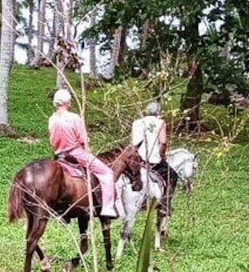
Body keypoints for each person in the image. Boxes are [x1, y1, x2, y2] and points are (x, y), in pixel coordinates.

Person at [48, 88, 117, 217]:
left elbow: (52, 140)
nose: (70, 103)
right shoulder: (74, 117)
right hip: (76, 153)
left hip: (59, 155)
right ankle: (107, 207)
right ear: (67, 102)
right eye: (70, 101)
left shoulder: (52, 119)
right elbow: (82, 139)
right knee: (107, 173)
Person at [131, 102, 175, 191]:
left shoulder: (136, 122)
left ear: (146, 111)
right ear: (158, 112)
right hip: (152, 159)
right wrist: (162, 155)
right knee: (172, 175)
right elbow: (163, 142)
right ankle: (165, 201)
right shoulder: (160, 123)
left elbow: (133, 143)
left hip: (137, 159)